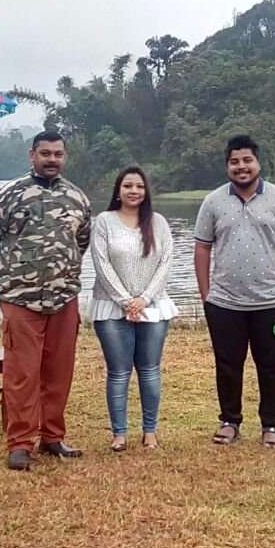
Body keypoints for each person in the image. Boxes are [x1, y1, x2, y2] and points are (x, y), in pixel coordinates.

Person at [0, 131, 91, 471]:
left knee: (59, 372)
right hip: (20, 300)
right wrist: (9, 271)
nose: (52, 159)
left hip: (64, 297)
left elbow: (81, 241)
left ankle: (52, 437)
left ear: (64, 157)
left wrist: (62, 273)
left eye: (58, 154)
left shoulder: (77, 197)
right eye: (45, 153)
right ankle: (20, 443)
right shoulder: (8, 195)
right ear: (32, 155)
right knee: (22, 374)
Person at [193, 135, 275, 449]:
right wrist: (206, 295)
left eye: (246, 160)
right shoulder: (213, 202)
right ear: (227, 166)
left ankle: (271, 425)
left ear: (258, 163)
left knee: (272, 366)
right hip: (224, 302)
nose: (241, 167)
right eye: (234, 162)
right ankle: (230, 421)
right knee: (228, 364)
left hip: (273, 302)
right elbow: (202, 248)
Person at [89, 166, 177, 452]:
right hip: (111, 307)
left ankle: (150, 431)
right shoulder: (104, 221)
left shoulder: (158, 223)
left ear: (146, 191)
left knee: (149, 370)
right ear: (118, 190)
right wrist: (126, 300)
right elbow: (101, 264)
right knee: (119, 372)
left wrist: (145, 299)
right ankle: (119, 434)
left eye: (139, 186)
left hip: (152, 307)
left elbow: (165, 263)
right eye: (128, 186)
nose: (134, 191)